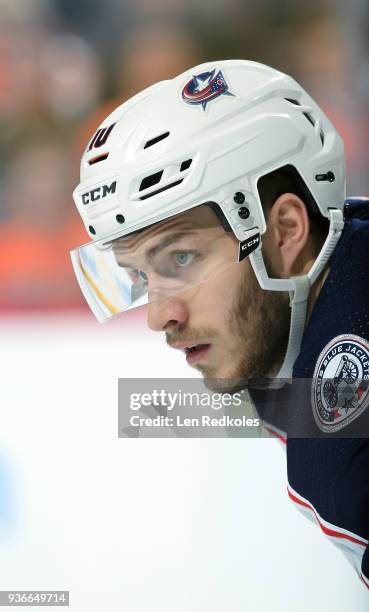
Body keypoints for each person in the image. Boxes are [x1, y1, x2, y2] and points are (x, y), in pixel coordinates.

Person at [70, 60, 369, 588]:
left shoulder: (340, 453)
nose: (161, 315)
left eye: (180, 259)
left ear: (286, 230)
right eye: (137, 275)